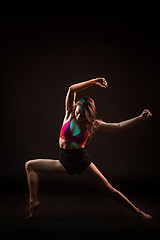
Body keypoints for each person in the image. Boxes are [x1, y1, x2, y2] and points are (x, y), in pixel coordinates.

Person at [25, 77, 152, 219]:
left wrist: (140, 118)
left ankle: (138, 212)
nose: (78, 116)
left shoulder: (92, 125)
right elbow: (71, 89)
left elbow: (119, 126)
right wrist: (93, 82)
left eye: (82, 115)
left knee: (109, 189)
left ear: (88, 116)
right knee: (30, 165)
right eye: (77, 112)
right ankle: (33, 201)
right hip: (64, 162)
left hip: (81, 162)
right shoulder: (69, 113)